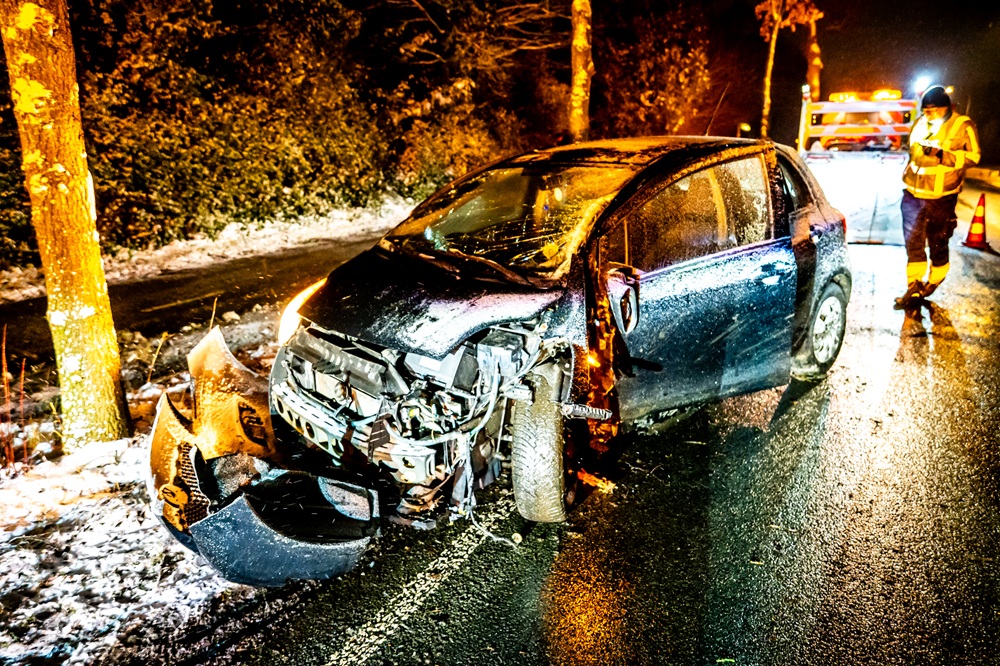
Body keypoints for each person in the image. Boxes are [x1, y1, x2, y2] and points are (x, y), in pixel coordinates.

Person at [895, 85, 980, 308]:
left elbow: (974, 156)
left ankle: (934, 279)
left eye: (933, 110)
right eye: (926, 110)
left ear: (946, 108)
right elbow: (912, 152)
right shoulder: (920, 123)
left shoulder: (962, 125)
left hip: (941, 196)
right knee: (912, 240)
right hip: (913, 193)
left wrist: (942, 155)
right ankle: (914, 284)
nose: (929, 114)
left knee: (938, 240)